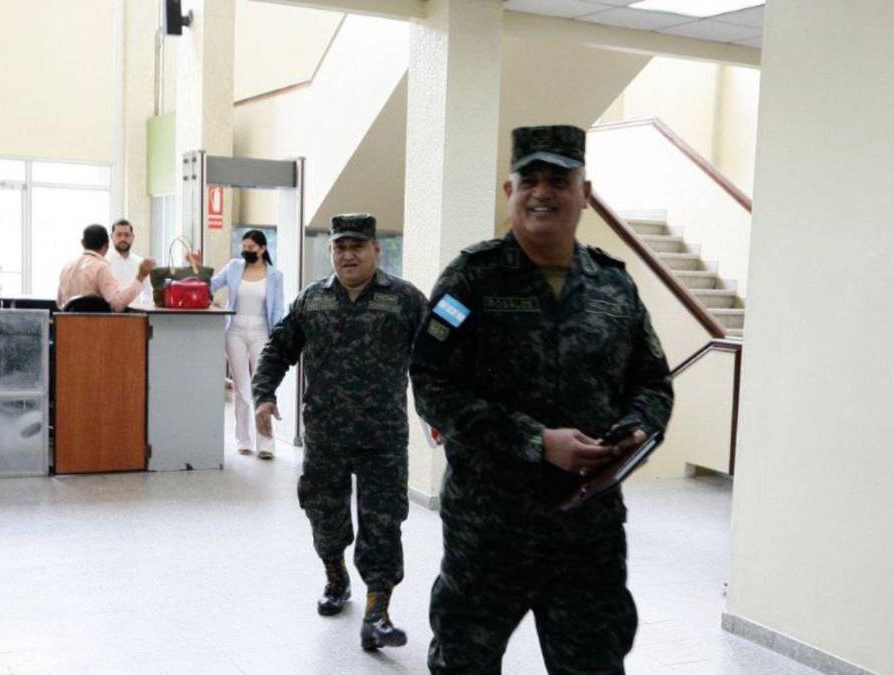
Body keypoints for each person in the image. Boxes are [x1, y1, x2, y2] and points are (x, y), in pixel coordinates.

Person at [410, 125, 675, 674]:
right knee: (465, 663)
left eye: (559, 180)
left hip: (588, 530)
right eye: (529, 179)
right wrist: (536, 441)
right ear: (509, 191)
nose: (542, 192)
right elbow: (432, 384)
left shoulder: (614, 285)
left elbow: (653, 382)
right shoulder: (472, 280)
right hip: (489, 529)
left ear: (586, 193)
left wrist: (635, 430)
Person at [251, 213, 427, 651]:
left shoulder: (404, 300)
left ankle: (377, 612)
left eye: (357, 247)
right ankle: (336, 578)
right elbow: (278, 348)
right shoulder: (312, 300)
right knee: (324, 515)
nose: (348, 255)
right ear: (331, 250)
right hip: (325, 434)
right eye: (340, 247)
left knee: (383, 523)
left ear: (375, 250)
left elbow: (435, 359)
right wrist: (263, 394)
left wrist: (437, 412)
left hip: (383, 437)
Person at [210, 230, 285, 460]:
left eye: (251, 247)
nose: (246, 251)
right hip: (235, 331)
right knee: (241, 388)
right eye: (243, 247)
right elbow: (211, 286)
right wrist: (197, 270)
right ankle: (243, 439)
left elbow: (278, 308)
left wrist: (278, 338)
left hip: (262, 332)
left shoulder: (275, 276)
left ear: (262, 249)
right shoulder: (234, 267)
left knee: (261, 386)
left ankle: (266, 442)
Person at [57, 224, 156, 312]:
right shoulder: (101, 268)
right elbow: (117, 305)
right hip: (97, 325)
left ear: (82, 243)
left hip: (67, 325)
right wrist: (140, 277)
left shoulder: (67, 267)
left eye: (126, 235)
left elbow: (59, 304)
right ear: (107, 245)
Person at [105, 218, 153, 307]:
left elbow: (148, 293)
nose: (123, 238)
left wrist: (143, 307)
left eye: (126, 235)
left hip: (136, 312)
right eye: (119, 235)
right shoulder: (104, 261)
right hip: (110, 312)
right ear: (111, 237)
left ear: (132, 237)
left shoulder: (141, 263)